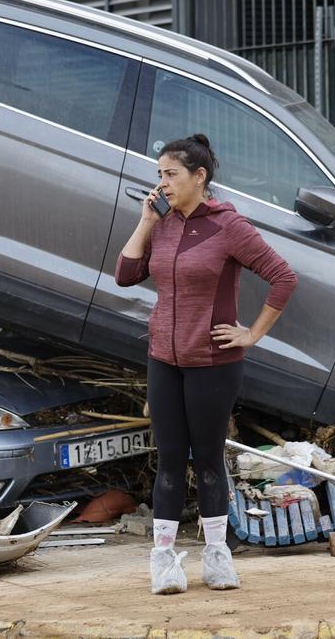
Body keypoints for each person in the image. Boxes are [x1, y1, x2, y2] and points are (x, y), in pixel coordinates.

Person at [115, 134, 297, 594]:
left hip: (214, 362)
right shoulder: (163, 223)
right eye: (158, 175)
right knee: (170, 461)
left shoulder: (229, 226)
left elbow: (283, 277)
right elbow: (126, 275)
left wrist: (251, 334)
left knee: (209, 459)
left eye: (170, 174)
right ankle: (163, 562)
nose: (162, 183)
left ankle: (217, 557)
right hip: (164, 357)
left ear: (200, 177)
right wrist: (144, 221)